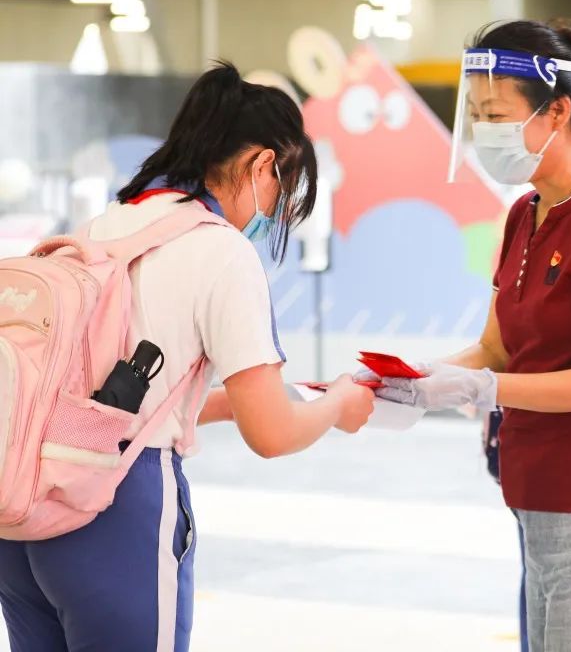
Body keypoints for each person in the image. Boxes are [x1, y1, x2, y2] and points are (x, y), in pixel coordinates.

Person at [0, 62, 375, 652]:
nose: (274, 209)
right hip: (115, 513)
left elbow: (113, 413)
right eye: (283, 185)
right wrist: (341, 405)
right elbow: (272, 434)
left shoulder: (105, 225)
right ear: (261, 165)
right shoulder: (220, 250)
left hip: (25, 514)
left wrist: (260, 403)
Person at [378, 20, 571, 651]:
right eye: (476, 114)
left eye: (495, 114)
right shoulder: (526, 212)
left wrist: (485, 387)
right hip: (539, 498)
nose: (483, 131)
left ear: (557, 110)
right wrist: (411, 380)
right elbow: (494, 348)